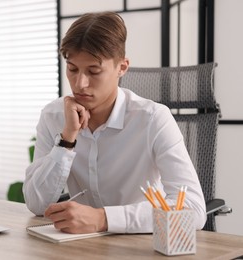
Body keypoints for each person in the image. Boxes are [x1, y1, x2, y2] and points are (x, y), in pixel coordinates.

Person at [23, 11, 206, 234]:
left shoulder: (153, 118)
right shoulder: (53, 116)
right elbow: (36, 205)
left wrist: (103, 219)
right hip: (79, 247)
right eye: (72, 69)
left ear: (122, 67)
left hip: (142, 243)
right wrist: (67, 139)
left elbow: (194, 210)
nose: (80, 84)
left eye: (94, 71)